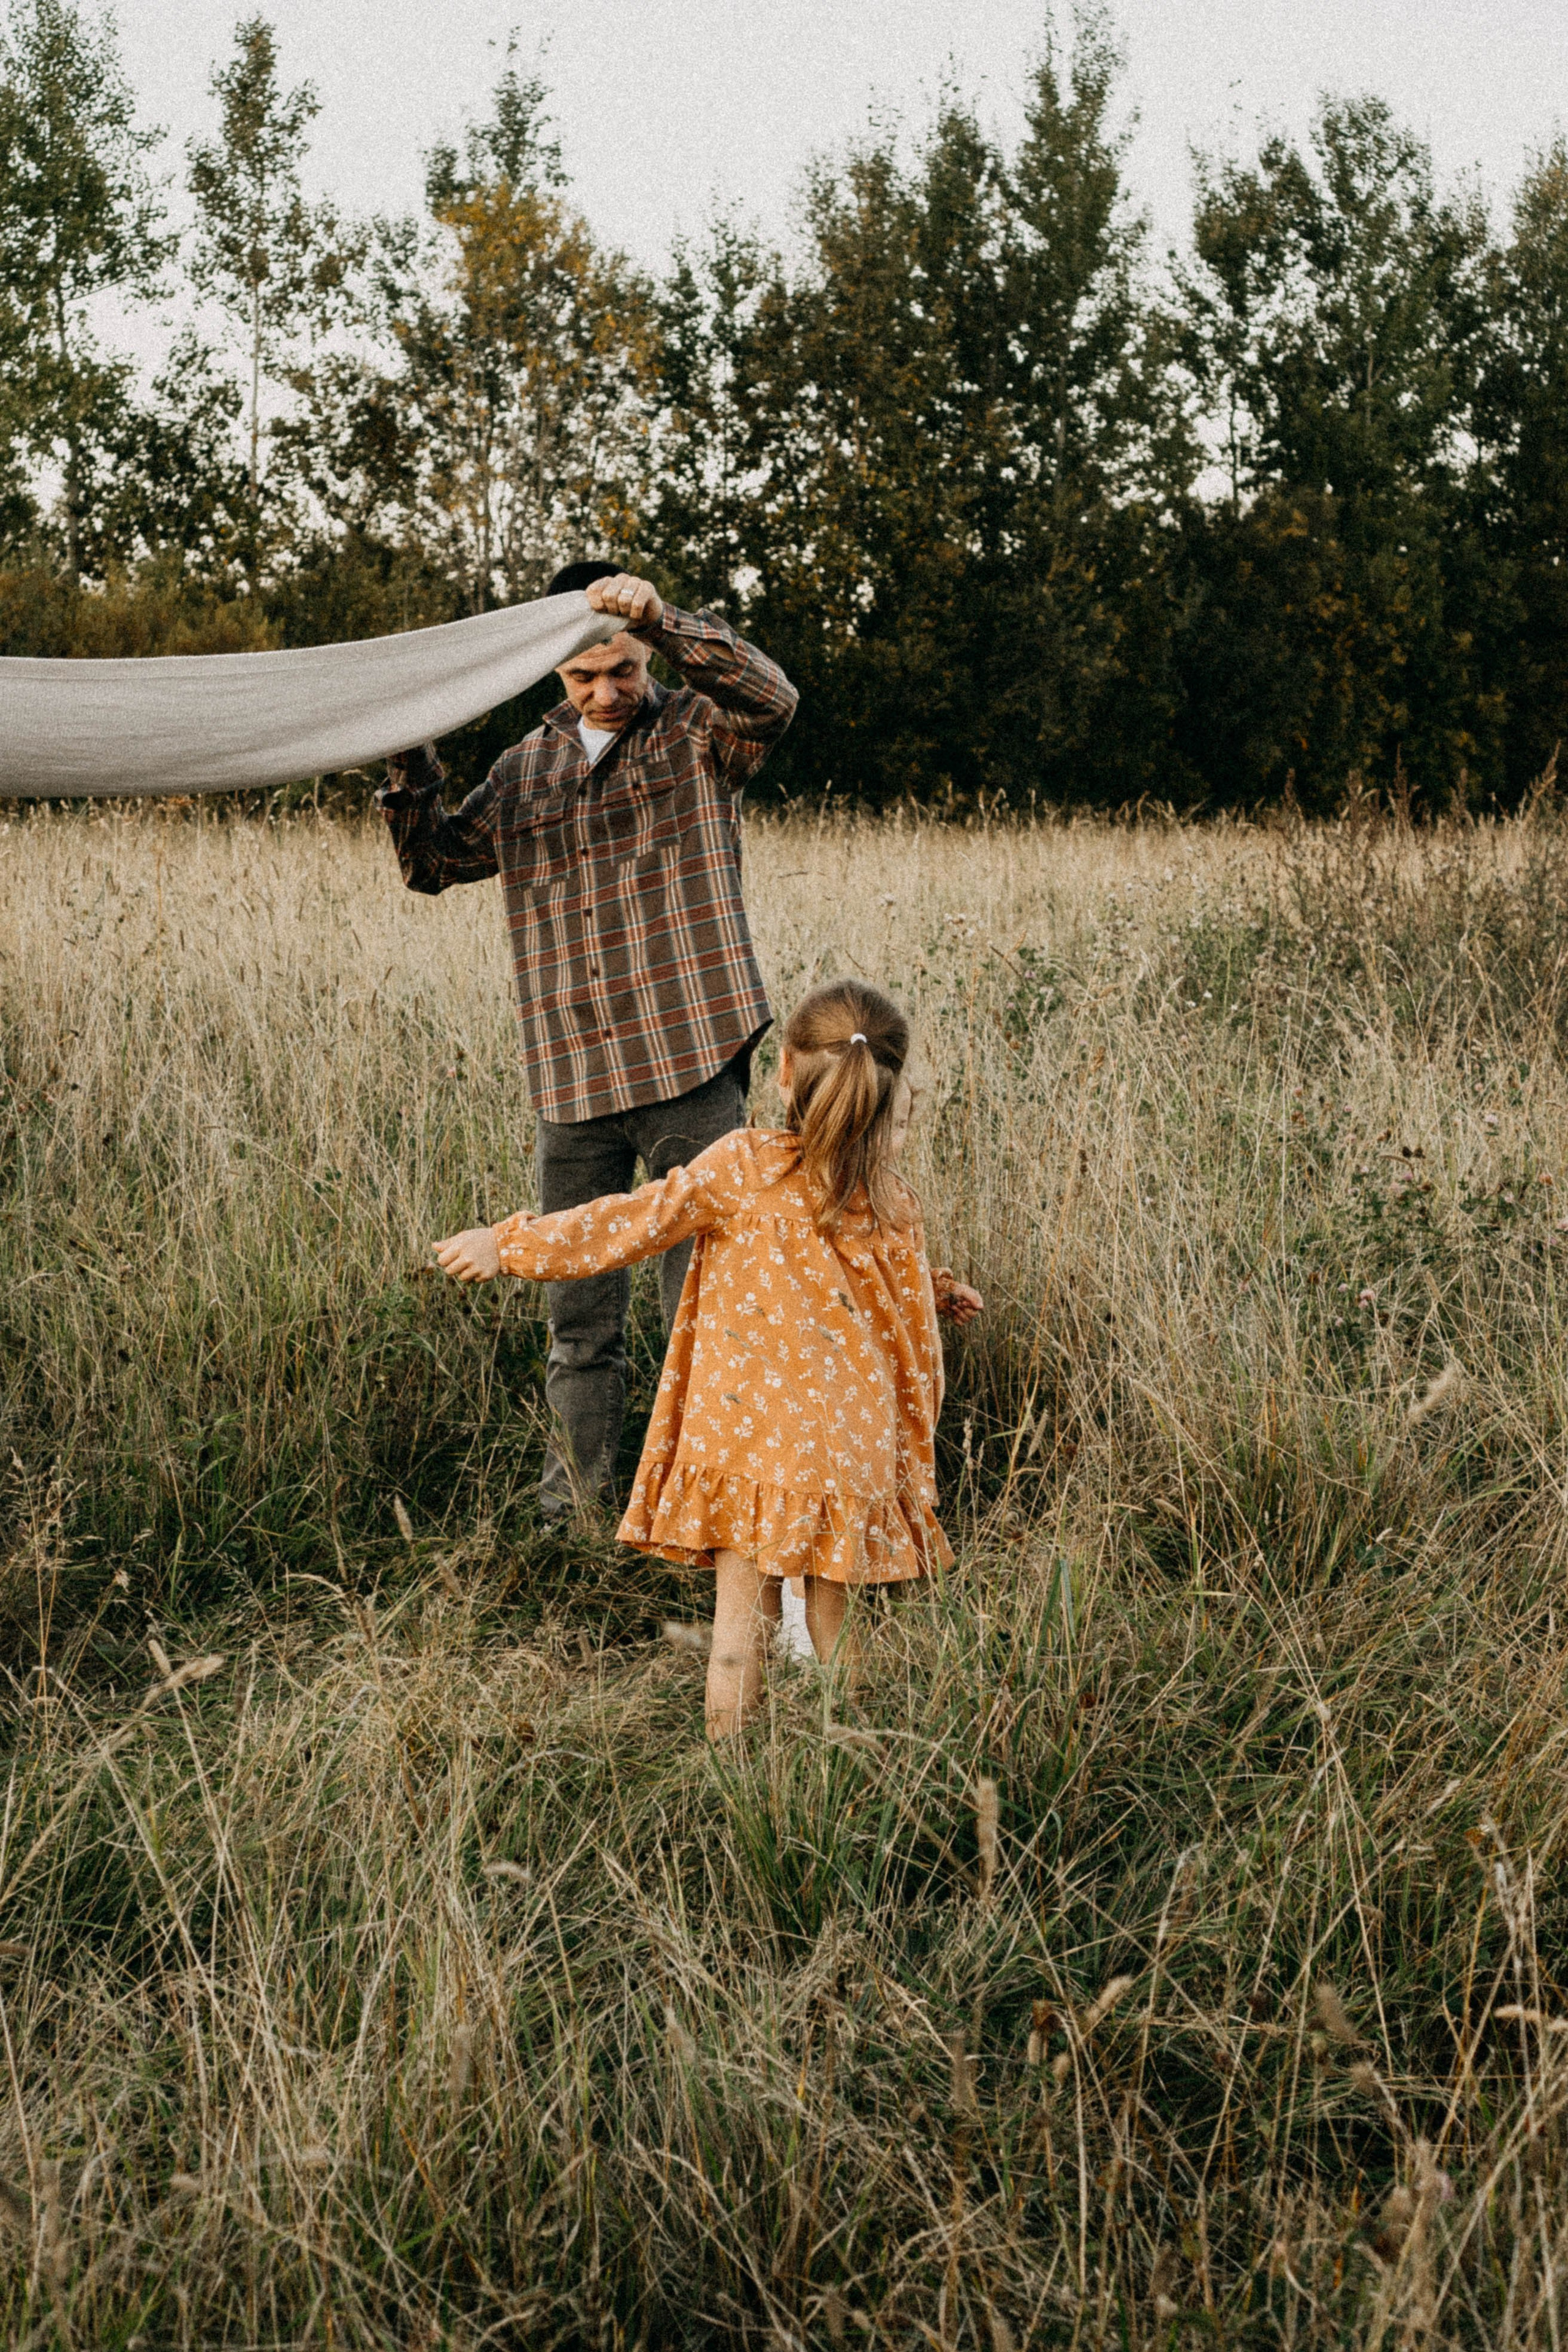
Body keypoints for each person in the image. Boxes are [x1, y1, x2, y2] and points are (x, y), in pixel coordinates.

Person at [432, 979, 984, 1738]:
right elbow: (900, 1309)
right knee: (837, 1629)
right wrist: (938, 1293)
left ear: (782, 1071)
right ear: (890, 1092)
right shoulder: (891, 1197)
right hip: (847, 1452)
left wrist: (511, 1244)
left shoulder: (745, 1165)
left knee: (739, 1630)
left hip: (747, 1443)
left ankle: (733, 1776)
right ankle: (858, 1764)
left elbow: (634, 1220)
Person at [379, 564, 797, 1521]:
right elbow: (434, 864)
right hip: (570, 1075)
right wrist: (407, 749)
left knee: (714, 1307)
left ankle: (721, 1509)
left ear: (644, 652)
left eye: (621, 669)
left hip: (690, 1056)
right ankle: (577, 1513)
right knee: (579, 1320)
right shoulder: (525, 769)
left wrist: (667, 617)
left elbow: (774, 699)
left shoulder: (699, 730)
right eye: (582, 677)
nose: (607, 691)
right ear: (550, 674)